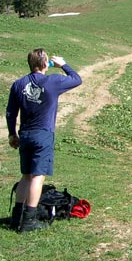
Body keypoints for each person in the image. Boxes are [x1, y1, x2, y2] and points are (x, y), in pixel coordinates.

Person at [6, 48, 82, 233]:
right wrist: (62, 64)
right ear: (44, 63)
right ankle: (29, 220)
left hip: (25, 134)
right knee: (38, 177)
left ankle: (17, 217)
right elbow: (76, 79)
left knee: (25, 176)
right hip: (43, 134)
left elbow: (10, 112)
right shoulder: (52, 81)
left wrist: (12, 134)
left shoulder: (18, 84)